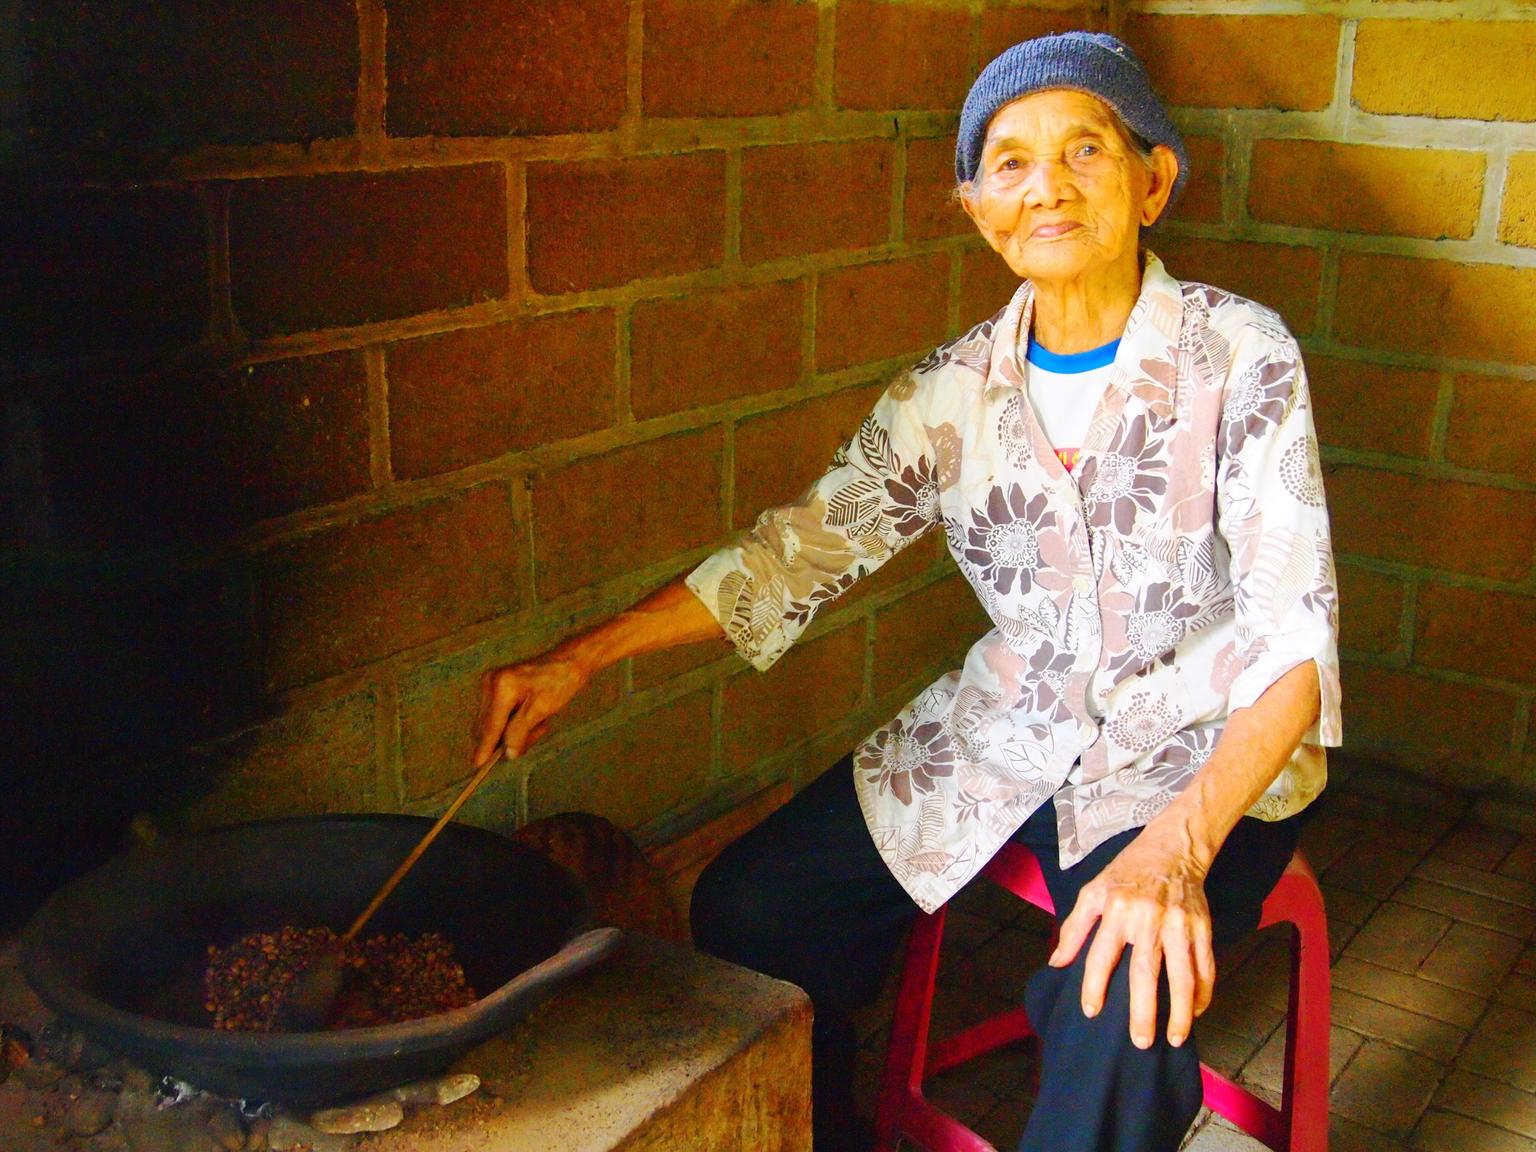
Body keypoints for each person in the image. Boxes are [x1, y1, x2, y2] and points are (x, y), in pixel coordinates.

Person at [473, 31, 1341, 1152]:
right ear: (976, 206)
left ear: (1153, 180)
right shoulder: (949, 396)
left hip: (1205, 749)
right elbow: (796, 553)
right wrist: (582, 656)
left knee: (1119, 1018)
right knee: (752, 909)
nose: (1049, 187)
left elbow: (1292, 647)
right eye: (1012, 164)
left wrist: (1172, 853)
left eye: (1087, 149)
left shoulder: (1242, 356)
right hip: (1014, 722)